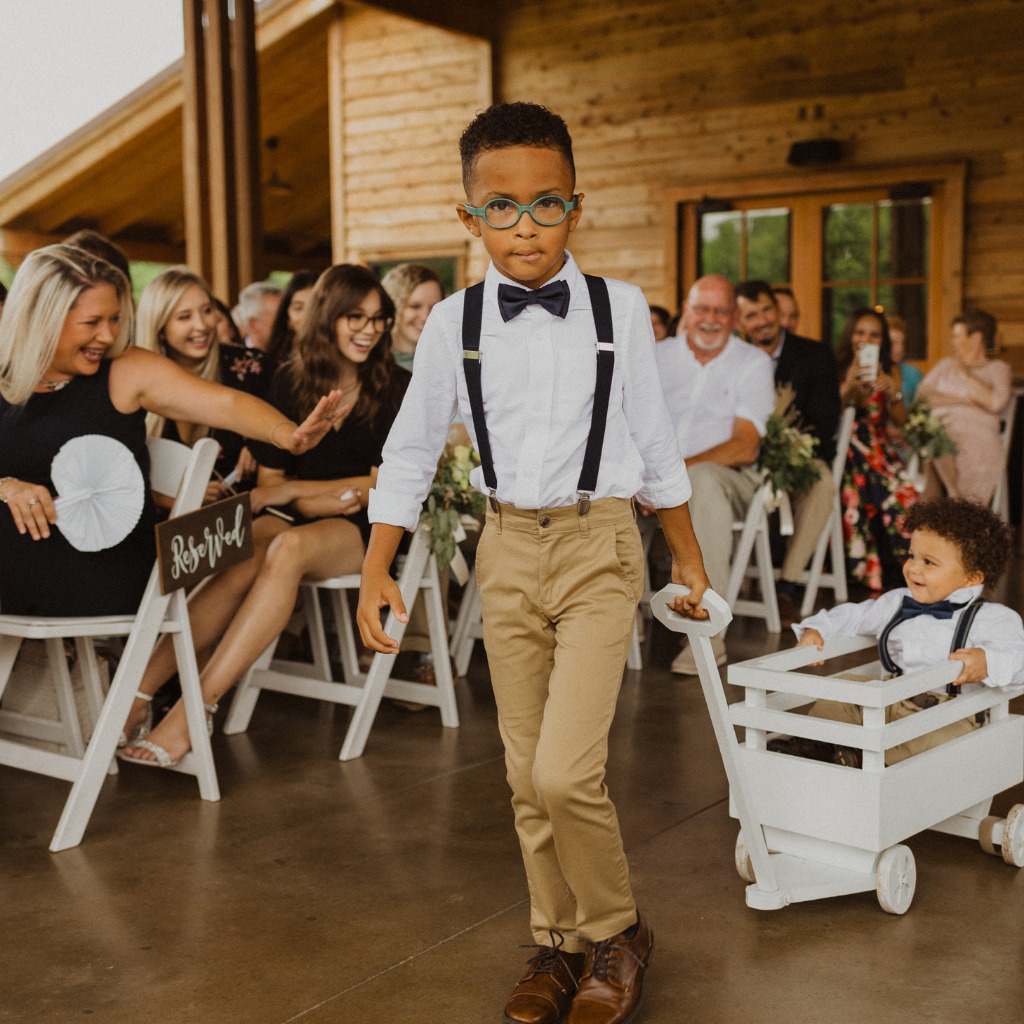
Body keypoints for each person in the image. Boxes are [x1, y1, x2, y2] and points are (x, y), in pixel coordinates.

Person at [358, 102, 710, 1024]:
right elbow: (410, 448)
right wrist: (376, 564)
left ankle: (619, 932)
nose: (525, 225)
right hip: (504, 545)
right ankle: (558, 942)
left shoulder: (619, 309)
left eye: (545, 204)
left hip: (599, 546)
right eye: (502, 207)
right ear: (469, 217)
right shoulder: (452, 326)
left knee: (565, 771)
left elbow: (655, 440)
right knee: (523, 775)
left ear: (576, 208)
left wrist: (688, 561)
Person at [121, 263, 408, 768]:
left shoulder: (396, 387)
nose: (370, 329)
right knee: (250, 542)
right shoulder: (287, 380)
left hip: (370, 528)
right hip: (300, 513)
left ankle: (196, 708)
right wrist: (311, 495)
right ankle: (137, 694)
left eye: (379, 318)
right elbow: (271, 490)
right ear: (327, 318)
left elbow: (381, 486)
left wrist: (303, 490)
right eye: (355, 317)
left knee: (288, 545)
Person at [0, 243, 341, 623]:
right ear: (43, 317)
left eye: (115, 320)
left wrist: (287, 435)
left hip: (101, 567)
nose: (108, 335)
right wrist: (7, 487)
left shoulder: (125, 370)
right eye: (92, 323)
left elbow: (225, 404)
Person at [772, 498, 1023, 767]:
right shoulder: (898, 602)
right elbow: (856, 615)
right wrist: (817, 629)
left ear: (972, 578)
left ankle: (856, 757)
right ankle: (817, 746)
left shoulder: (992, 619)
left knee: (919, 745)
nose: (913, 567)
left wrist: (988, 661)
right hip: (891, 700)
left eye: (929, 562)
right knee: (840, 692)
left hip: (947, 716)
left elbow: (1017, 659)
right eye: (912, 556)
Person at [654, 274, 775, 672]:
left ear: (735, 318)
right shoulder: (657, 355)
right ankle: (611, 629)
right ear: (686, 312)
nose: (710, 318)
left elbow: (745, 444)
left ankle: (707, 637)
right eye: (702, 308)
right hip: (655, 478)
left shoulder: (752, 362)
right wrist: (645, 477)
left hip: (726, 478)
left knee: (702, 481)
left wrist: (673, 474)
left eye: (721, 311)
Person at [735, 280, 841, 627]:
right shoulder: (731, 357)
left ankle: (787, 585)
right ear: (740, 322)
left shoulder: (814, 355)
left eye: (767, 310)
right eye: (752, 315)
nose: (763, 320)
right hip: (741, 462)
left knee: (823, 483)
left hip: (796, 458)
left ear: (779, 312)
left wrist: (788, 451)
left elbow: (825, 424)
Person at [136, 266, 276, 496]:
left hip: (241, 518)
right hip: (160, 525)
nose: (202, 325)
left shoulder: (250, 367)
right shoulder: (135, 380)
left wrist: (260, 445)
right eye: (184, 317)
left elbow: (289, 413)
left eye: (207, 311)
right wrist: (184, 496)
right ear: (160, 328)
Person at [836, 308, 916, 592]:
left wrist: (893, 392)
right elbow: (842, 409)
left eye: (873, 334)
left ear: (882, 340)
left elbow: (899, 420)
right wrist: (852, 380)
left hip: (879, 447)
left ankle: (906, 567)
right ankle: (866, 572)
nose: (865, 339)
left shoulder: (889, 368)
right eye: (860, 332)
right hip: (848, 447)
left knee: (906, 494)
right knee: (862, 486)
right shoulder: (837, 365)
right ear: (850, 334)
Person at [917, 310, 1012, 505]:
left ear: (976, 338)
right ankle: (954, 497)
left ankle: (941, 511)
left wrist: (964, 375)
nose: (953, 341)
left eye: (957, 336)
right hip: (940, 433)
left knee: (931, 446)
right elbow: (923, 396)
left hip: (977, 439)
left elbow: (996, 402)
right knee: (932, 439)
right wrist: (963, 400)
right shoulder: (945, 365)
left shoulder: (998, 369)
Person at [380, 262, 445, 372]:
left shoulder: (450, 362)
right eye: (415, 306)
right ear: (393, 306)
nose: (425, 317)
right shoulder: (373, 365)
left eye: (434, 307)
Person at [265, 269, 318, 362]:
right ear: (287, 318)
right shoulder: (275, 366)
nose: (307, 315)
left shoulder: (342, 363)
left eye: (313, 306)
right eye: (298, 308)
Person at [886, 314, 922, 407]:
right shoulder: (869, 372)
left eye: (902, 343)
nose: (900, 349)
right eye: (893, 343)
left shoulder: (913, 373)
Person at [237, 280, 283, 352]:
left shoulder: (295, 356)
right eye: (280, 318)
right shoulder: (233, 357)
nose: (288, 323)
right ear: (253, 324)